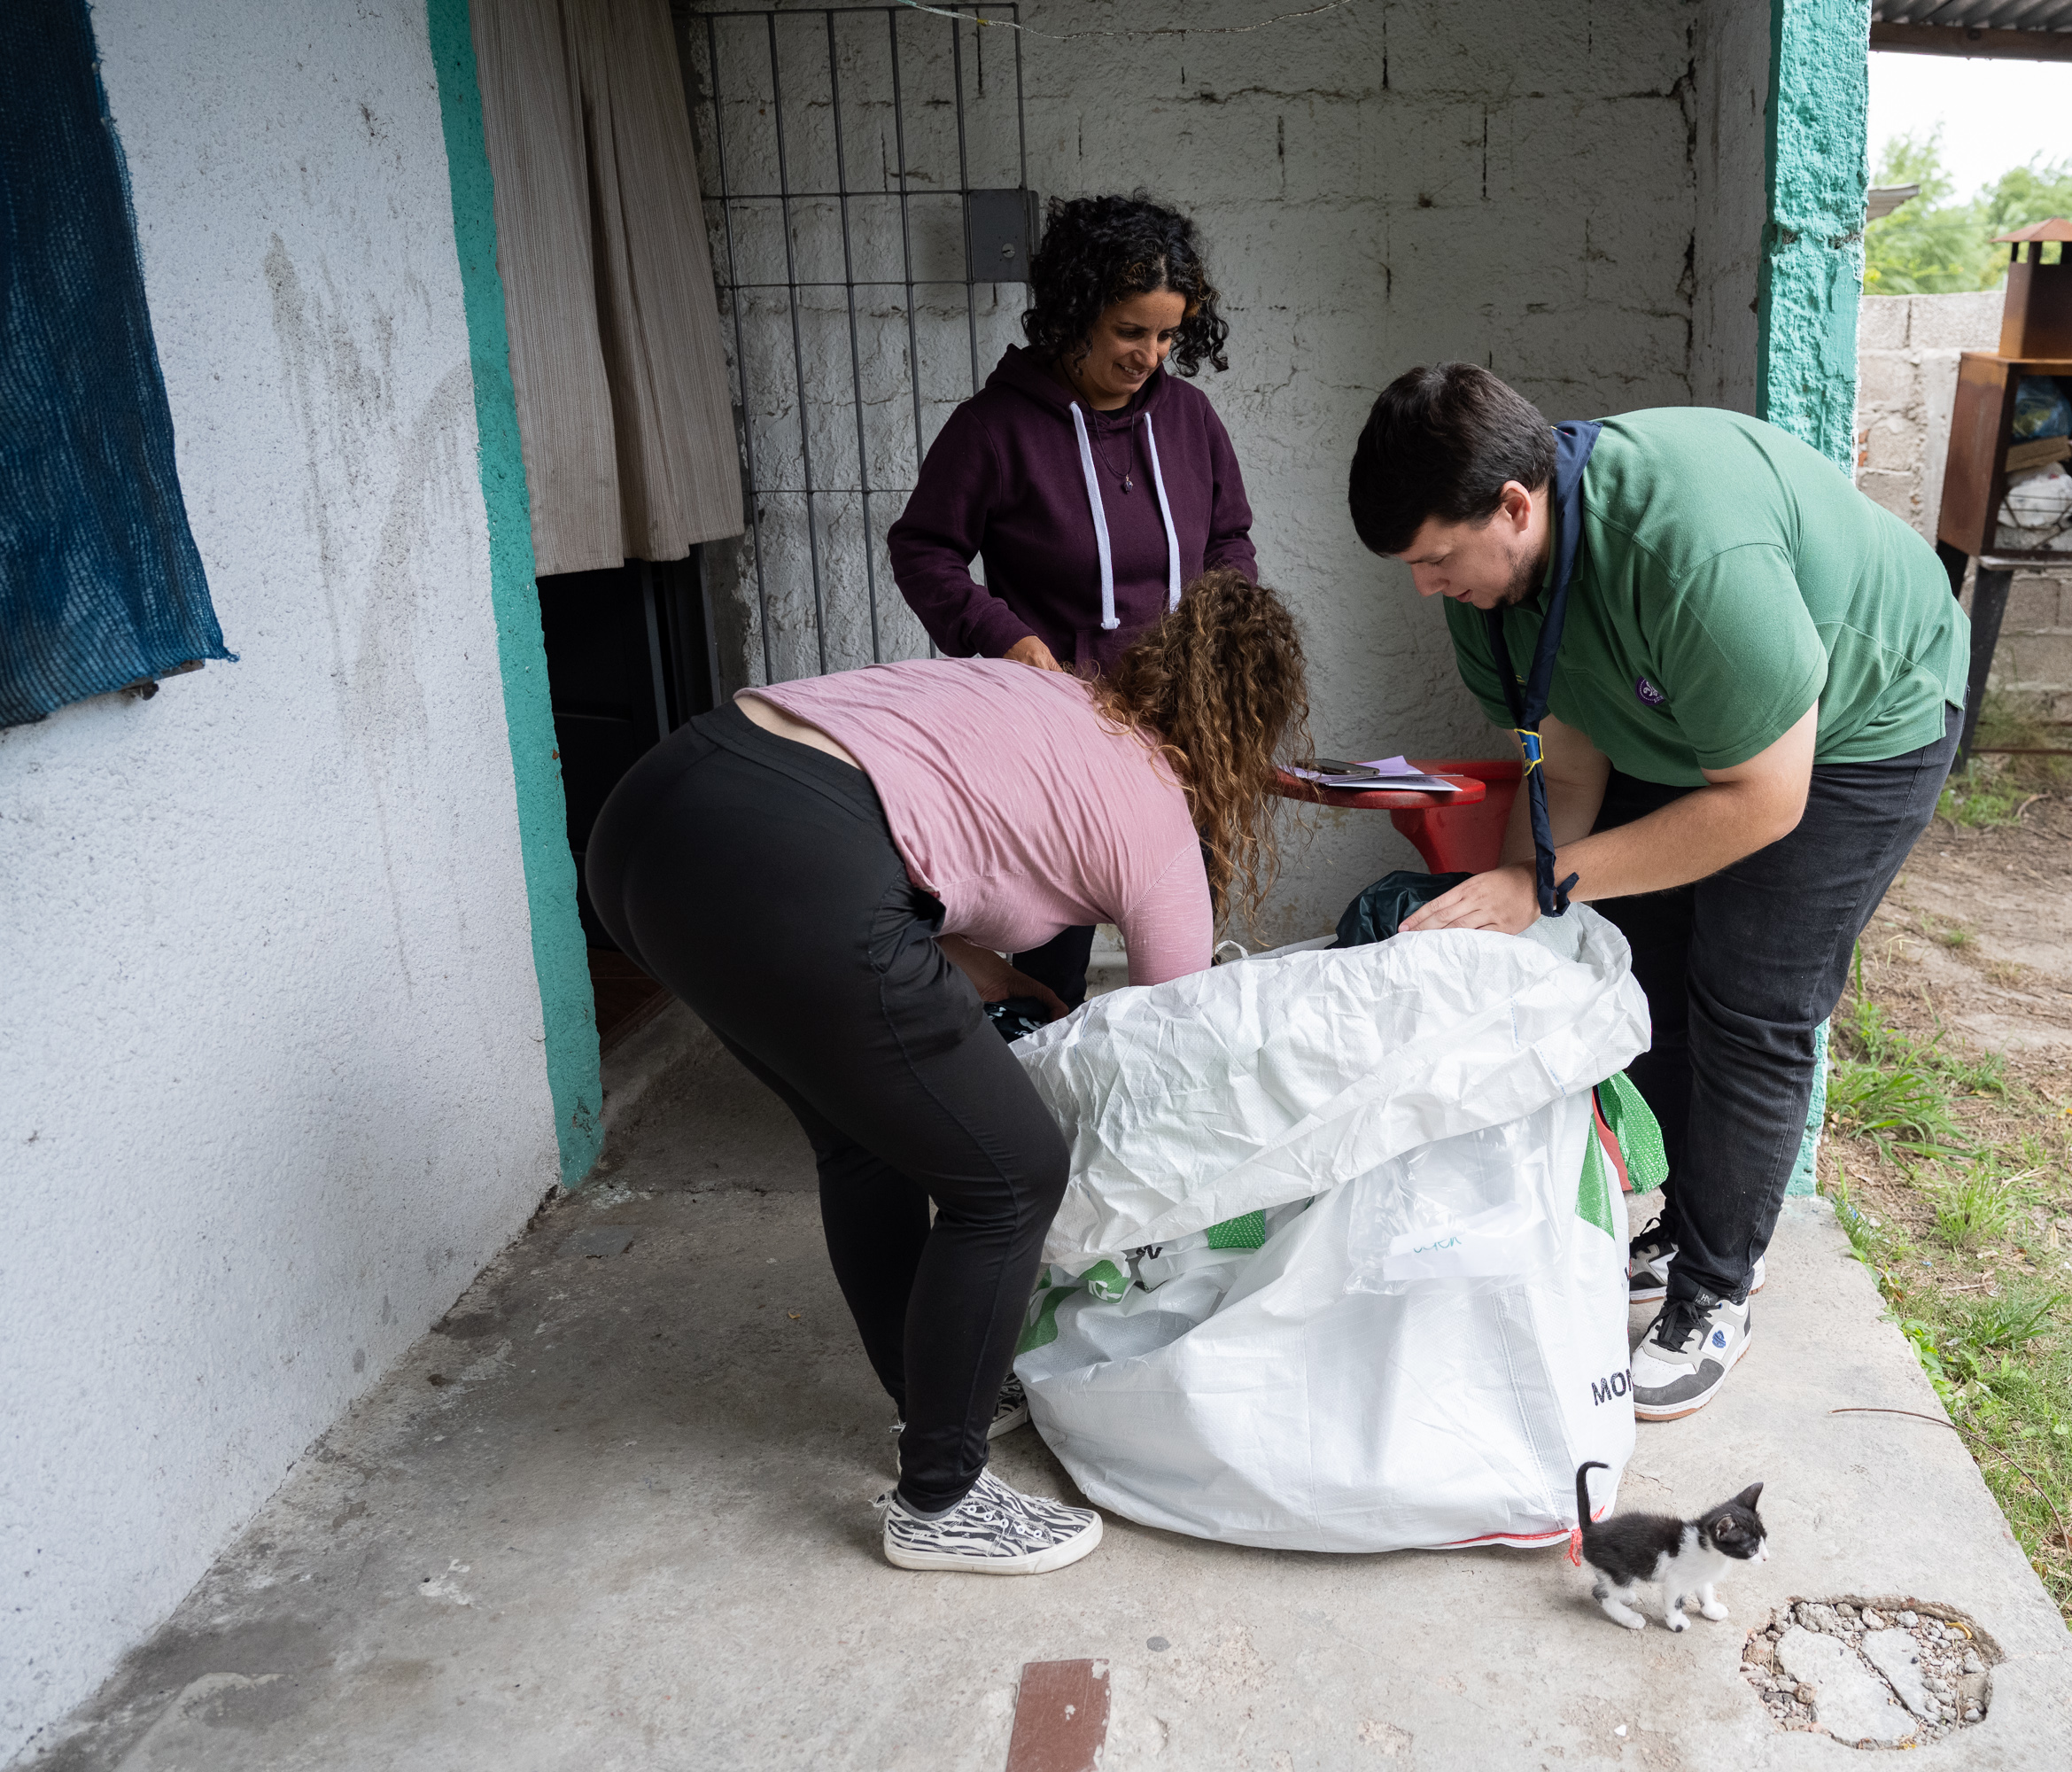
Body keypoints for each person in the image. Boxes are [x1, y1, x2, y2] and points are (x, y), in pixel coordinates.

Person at [586, 569, 1308, 1575]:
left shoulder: (1041, 694)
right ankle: (942, 1496)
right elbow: (1169, 1046)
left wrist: (1011, 983)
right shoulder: (1159, 819)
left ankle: (931, 1397)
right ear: (1242, 744)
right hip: (791, 857)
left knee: (865, 1141)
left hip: (654, 818)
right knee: (1013, 1178)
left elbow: (912, 864)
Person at [1346, 365, 1967, 1425]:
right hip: (1694, 727)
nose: (1425, 585)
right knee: (1641, 964)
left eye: (1437, 559)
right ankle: (1690, 1218)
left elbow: (1765, 801)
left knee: (1750, 995)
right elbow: (1569, 764)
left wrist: (1539, 884)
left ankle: (1721, 1286)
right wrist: (1521, 912)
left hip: (1860, 726)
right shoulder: (1488, 587)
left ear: (1514, 505)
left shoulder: (1686, 551)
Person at [888, 191, 1256, 1014]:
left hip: (1180, 719)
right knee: (1051, 952)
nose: (1150, 355)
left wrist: (1222, 633)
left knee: (1178, 943)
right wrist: (1005, 638)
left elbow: (1231, 538)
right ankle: (1034, 1109)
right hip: (1054, 727)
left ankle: (1160, 1106)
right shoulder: (991, 429)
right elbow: (923, 550)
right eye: (1131, 331)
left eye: (1167, 335)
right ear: (1075, 312)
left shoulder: (1191, 419)